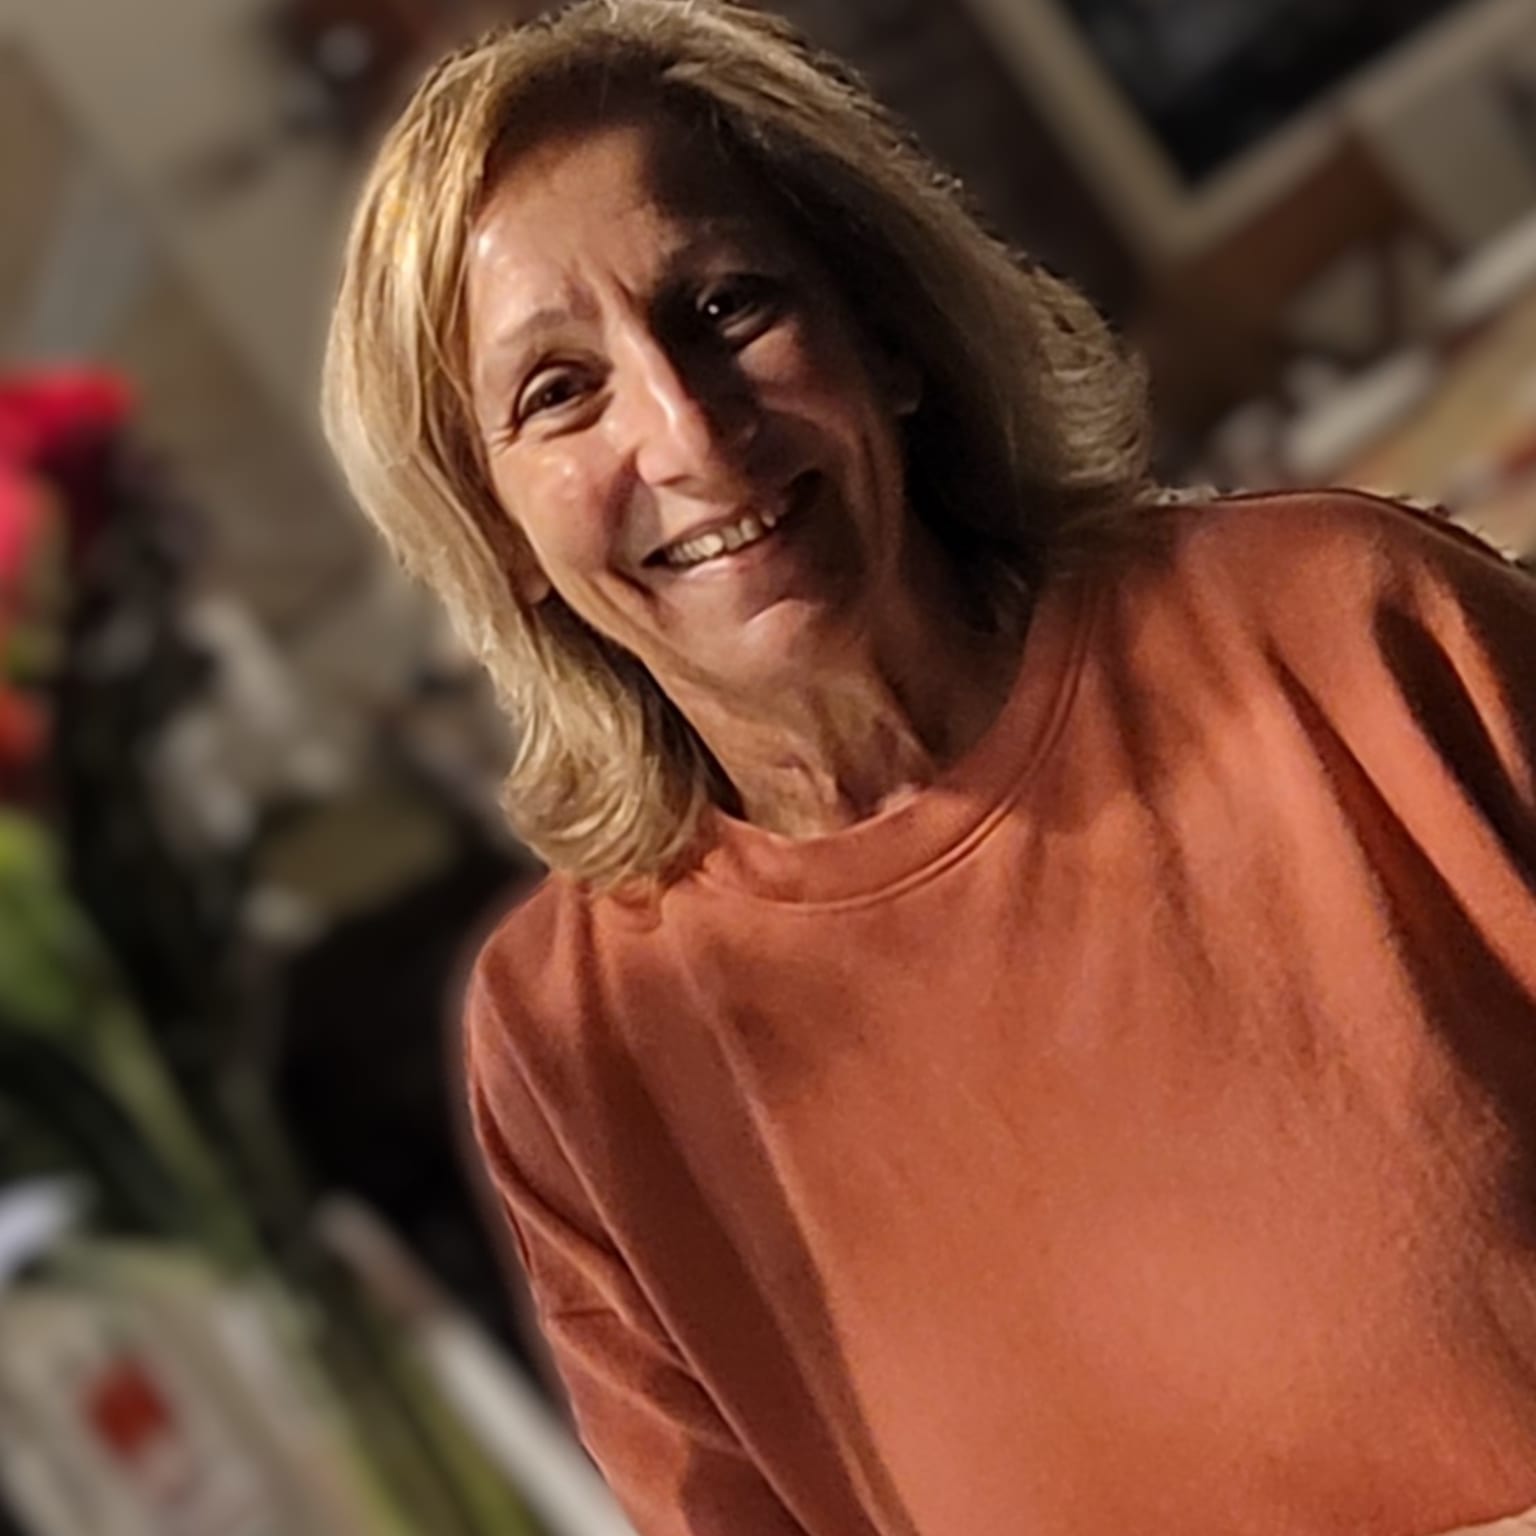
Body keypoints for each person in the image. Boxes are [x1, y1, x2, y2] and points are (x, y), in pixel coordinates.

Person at [321, 4, 1536, 1533]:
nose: (689, 432)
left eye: (725, 305)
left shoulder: (1349, 630)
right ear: (499, 532)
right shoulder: (570, 1047)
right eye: (558, 391)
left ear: (881, 335)